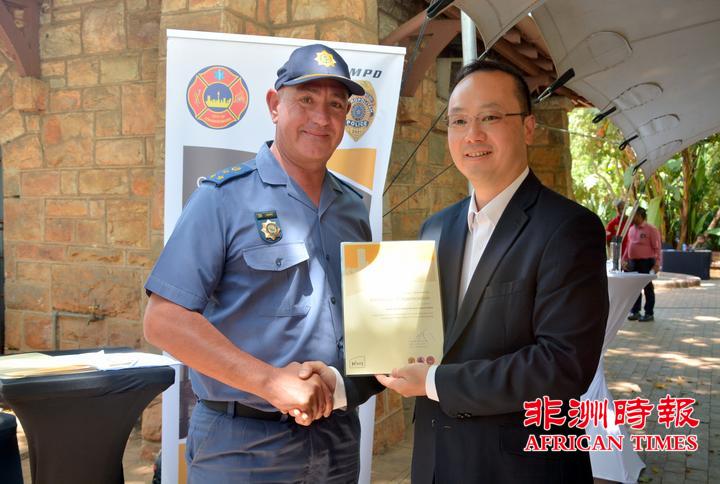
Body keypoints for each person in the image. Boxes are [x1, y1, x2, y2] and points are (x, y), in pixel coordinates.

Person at [143, 44, 382, 482]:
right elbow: (163, 320)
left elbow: (364, 323)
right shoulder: (223, 199)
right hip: (241, 446)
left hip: (336, 439)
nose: (321, 117)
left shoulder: (352, 208)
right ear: (274, 105)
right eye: (305, 99)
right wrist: (271, 382)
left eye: (335, 105)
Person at [376, 59, 608, 483]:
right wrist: (340, 379)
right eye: (459, 120)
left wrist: (434, 382)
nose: (472, 135)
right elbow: (411, 339)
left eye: (490, 117)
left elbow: (562, 366)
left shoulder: (568, 229)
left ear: (528, 127)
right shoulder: (435, 228)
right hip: (436, 462)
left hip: (520, 469)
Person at [622, 207, 662, 322]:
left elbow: (657, 248)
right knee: (634, 288)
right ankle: (635, 311)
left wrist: (657, 263)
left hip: (646, 262)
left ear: (640, 215)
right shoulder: (631, 229)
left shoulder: (651, 229)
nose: (631, 218)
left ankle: (649, 313)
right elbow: (628, 246)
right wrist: (624, 259)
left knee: (647, 287)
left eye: (633, 215)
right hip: (632, 262)